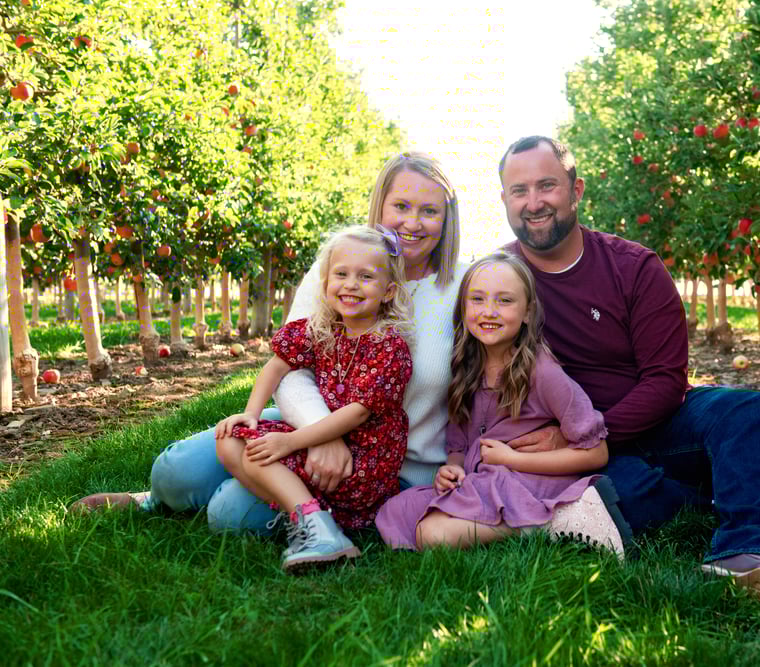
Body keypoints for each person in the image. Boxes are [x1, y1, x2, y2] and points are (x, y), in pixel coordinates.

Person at [494, 135, 760, 604]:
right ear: (505, 199)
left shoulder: (632, 267)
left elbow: (665, 382)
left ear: (577, 190)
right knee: (617, 499)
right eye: (519, 190)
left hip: (653, 423)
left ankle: (750, 552)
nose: (534, 202)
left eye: (547, 186)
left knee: (745, 410)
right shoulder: (497, 281)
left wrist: (588, 435)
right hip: (579, 455)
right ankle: (751, 484)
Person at [73, 152, 466, 536]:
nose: (412, 222)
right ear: (380, 205)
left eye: (429, 211)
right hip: (303, 424)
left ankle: (225, 504)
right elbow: (290, 366)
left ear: (447, 218)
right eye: (400, 205)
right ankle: (160, 498)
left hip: (384, 465)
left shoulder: (464, 288)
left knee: (231, 514)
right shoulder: (338, 267)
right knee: (175, 471)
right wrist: (321, 435)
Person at [376, 253, 631, 557]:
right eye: (478, 299)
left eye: (505, 301)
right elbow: (458, 447)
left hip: (530, 482)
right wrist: (452, 470)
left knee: (432, 534)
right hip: (485, 480)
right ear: (463, 308)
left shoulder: (542, 371)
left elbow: (596, 452)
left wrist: (512, 459)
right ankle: (537, 523)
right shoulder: (465, 368)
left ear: (528, 312)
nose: (489, 311)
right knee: (394, 511)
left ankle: (558, 519)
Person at [214, 225, 412, 572]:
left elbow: (356, 415)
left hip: (361, 461)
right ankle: (315, 523)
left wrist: (289, 442)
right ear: (325, 282)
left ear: (388, 291)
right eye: (341, 274)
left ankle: (320, 528)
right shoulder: (321, 329)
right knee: (230, 441)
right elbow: (276, 367)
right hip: (319, 446)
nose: (351, 284)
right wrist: (250, 413)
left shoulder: (388, 346)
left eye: (366, 277)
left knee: (260, 455)